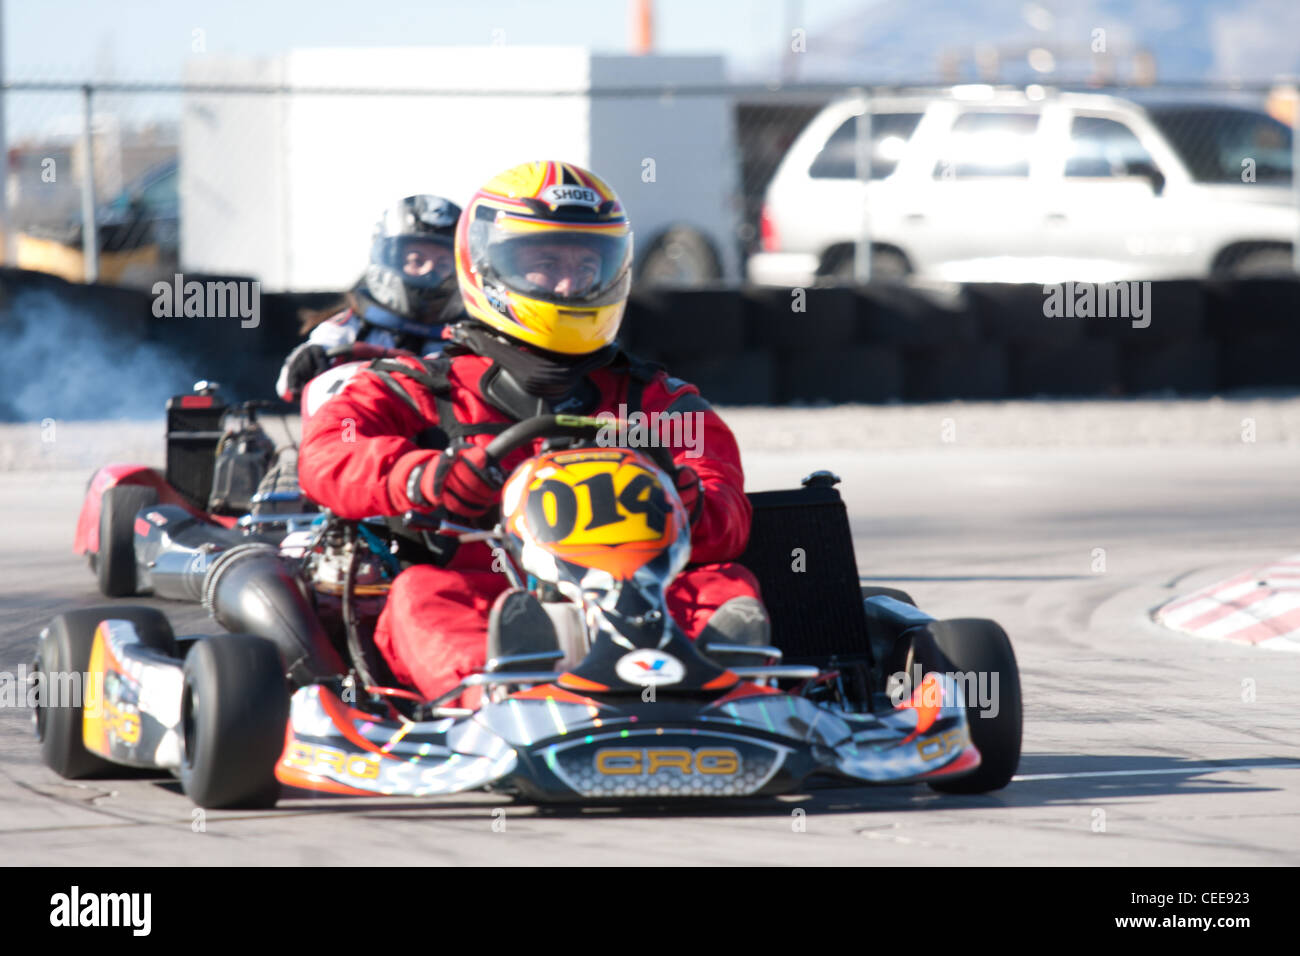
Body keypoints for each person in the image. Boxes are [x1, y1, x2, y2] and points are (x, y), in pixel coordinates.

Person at [297, 161, 767, 705]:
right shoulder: (422, 388)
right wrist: (424, 476)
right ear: (488, 269)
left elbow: (726, 505)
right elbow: (331, 451)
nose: (570, 283)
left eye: (587, 264)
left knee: (722, 585)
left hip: (640, 594)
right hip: (492, 591)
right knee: (419, 596)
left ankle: (732, 691)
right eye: (547, 263)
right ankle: (504, 698)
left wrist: (689, 501)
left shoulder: (658, 400)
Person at [275, 194, 463, 404]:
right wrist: (311, 357)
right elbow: (288, 386)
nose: (430, 272)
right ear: (391, 260)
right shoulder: (354, 326)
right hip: (360, 427)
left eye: (443, 264)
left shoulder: (465, 335)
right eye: (417, 260)